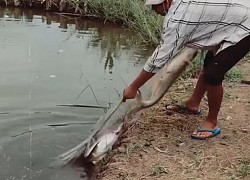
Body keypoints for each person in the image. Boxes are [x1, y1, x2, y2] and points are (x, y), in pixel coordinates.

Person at [122, 0, 250, 140]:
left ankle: (211, 122)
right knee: (209, 64)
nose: (153, 9)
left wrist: (133, 87)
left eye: (155, 5)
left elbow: (158, 59)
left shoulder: (178, 19)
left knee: (214, 74)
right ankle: (193, 104)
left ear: (167, 1)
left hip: (245, 25)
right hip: (233, 19)